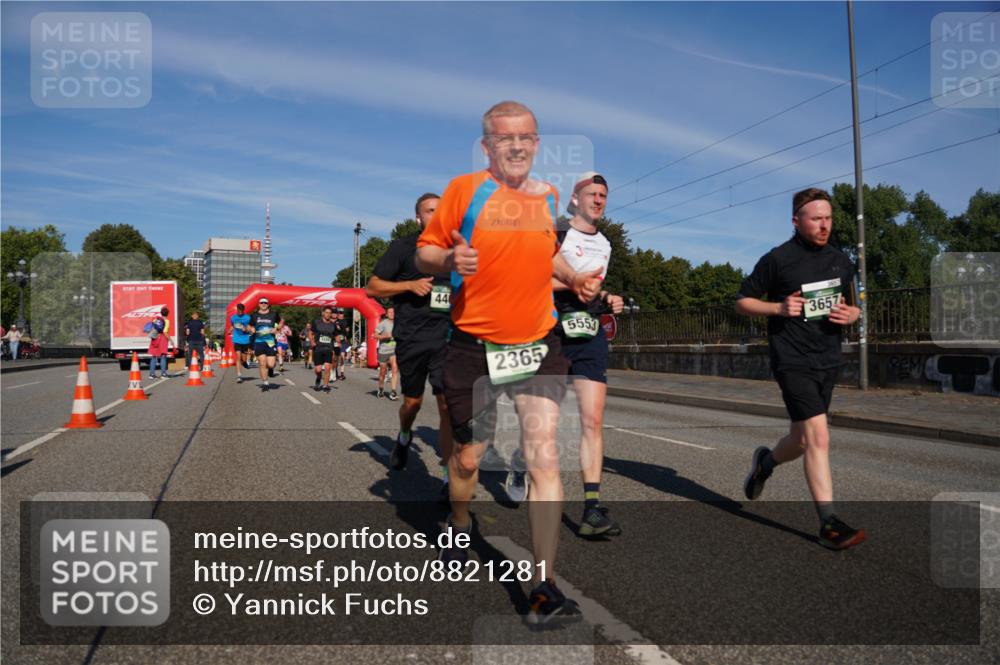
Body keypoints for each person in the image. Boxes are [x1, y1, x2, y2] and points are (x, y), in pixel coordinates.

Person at [416, 100, 602, 623]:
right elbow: (425, 253)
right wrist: (449, 259)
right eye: (504, 138)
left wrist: (573, 278)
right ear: (487, 146)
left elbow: (547, 254)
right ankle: (459, 518)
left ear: (537, 143)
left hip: (538, 343)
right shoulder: (462, 190)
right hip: (473, 345)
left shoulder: (545, 198)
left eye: (526, 137)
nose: (516, 146)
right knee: (469, 460)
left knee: (543, 456)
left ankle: (544, 586)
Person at [737, 187, 866, 551]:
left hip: (828, 358)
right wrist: (778, 309)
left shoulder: (842, 262)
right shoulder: (778, 259)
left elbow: (855, 305)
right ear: (797, 221)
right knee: (819, 437)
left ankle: (765, 462)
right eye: (816, 219)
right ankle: (829, 522)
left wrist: (852, 314)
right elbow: (742, 301)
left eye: (828, 218)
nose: (824, 225)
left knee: (801, 438)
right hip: (792, 359)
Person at [513, 171, 626, 538]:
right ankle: (520, 457)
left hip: (588, 331)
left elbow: (594, 288)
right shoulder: (555, 233)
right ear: (575, 199)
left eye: (603, 195)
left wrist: (608, 297)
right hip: (549, 330)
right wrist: (574, 282)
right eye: (591, 194)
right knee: (545, 422)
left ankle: (591, 508)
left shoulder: (606, 244)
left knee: (592, 421)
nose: (598, 200)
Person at [368, 192, 455, 483]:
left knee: (447, 405)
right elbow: (373, 287)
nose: (437, 216)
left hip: (448, 339)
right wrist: (408, 285)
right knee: (413, 404)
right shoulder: (402, 248)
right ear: (419, 218)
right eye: (431, 211)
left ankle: (447, 476)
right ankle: (404, 435)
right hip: (412, 339)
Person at [249, 298, 280, 391]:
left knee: (270, 364)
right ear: (258, 304)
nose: (263, 304)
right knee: (262, 363)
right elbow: (249, 325)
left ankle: (270, 369)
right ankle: (265, 382)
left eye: (265, 303)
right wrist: (251, 328)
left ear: (268, 304)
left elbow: (281, 322)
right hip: (259, 342)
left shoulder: (273, 314)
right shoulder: (254, 315)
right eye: (262, 302)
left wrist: (277, 329)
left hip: (270, 342)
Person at [309, 307, 339, 392]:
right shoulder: (316, 322)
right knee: (318, 370)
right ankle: (318, 377)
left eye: (330, 313)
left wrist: (339, 342)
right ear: (323, 313)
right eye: (326, 312)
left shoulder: (333, 325)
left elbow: (336, 335)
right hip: (318, 348)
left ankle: (326, 385)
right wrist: (312, 341)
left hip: (328, 349)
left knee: (327, 368)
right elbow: (310, 333)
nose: (328, 314)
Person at [374, 308, 399, 399]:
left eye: (393, 312)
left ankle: (393, 391)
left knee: (395, 369)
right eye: (390, 312)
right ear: (387, 314)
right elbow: (374, 335)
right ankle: (380, 389)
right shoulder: (383, 324)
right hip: (383, 351)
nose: (392, 313)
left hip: (394, 350)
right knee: (383, 373)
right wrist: (385, 336)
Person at [230, 303, 253, 383]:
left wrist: (246, 329)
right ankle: (239, 376)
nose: (240, 312)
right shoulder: (233, 318)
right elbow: (232, 326)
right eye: (238, 310)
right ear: (237, 309)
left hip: (245, 340)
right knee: (238, 357)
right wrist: (230, 330)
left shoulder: (247, 318)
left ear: (243, 310)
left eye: (241, 311)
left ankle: (245, 362)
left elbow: (250, 328)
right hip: (236, 339)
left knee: (244, 358)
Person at [147, 307, 170, 379]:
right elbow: (165, 331)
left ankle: (151, 374)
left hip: (154, 338)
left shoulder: (156, 319)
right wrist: (170, 340)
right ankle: (163, 374)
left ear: (161, 313)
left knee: (154, 356)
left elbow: (152, 327)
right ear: (167, 313)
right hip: (162, 338)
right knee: (163, 356)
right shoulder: (166, 321)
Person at [335, 310, 350, 380]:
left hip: (343, 341)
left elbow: (346, 331)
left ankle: (342, 373)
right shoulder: (335, 321)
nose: (341, 315)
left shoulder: (345, 322)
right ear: (338, 315)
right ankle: (334, 371)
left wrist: (346, 334)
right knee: (335, 358)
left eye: (342, 314)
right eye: (340, 314)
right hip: (336, 341)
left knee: (342, 356)